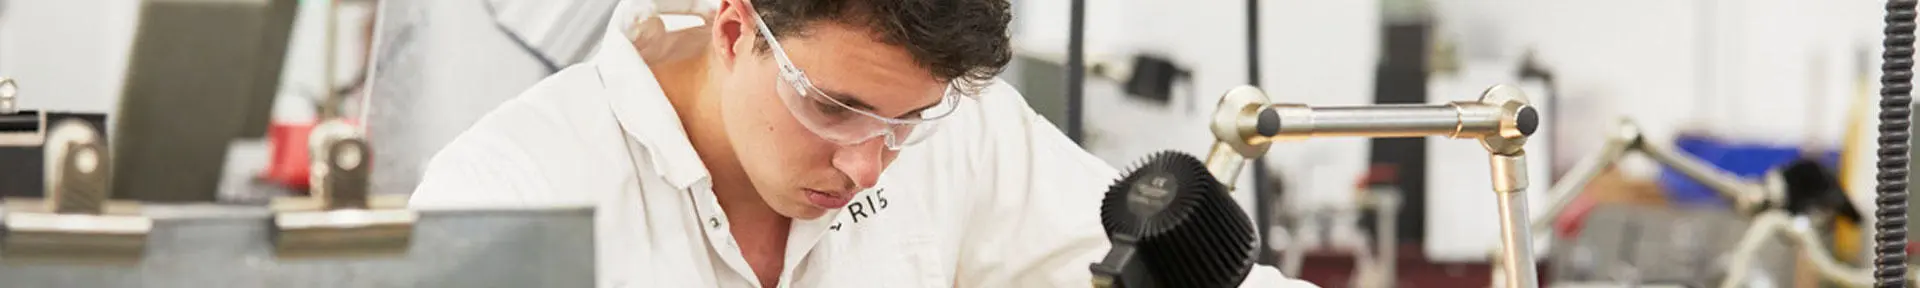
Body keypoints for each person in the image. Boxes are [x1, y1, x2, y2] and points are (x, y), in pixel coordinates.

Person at [409, 0, 1314, 287]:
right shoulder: (508, 193)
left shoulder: (965, 132)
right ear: (734, 30)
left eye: (908, 123)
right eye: (834, 108)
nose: (867, 164)